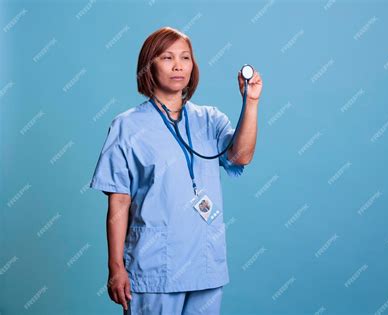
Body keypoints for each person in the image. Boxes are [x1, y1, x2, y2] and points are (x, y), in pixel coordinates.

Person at [89, 26, 262, 315]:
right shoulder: (127, 126)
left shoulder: (210, 119)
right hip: (155, 267)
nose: (179, 65)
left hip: (205, 265)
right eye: (167, 58)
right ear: (149, 66)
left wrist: (251, 102)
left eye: (185, 57)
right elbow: (119, 201)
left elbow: (241, 155)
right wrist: (116, 266)